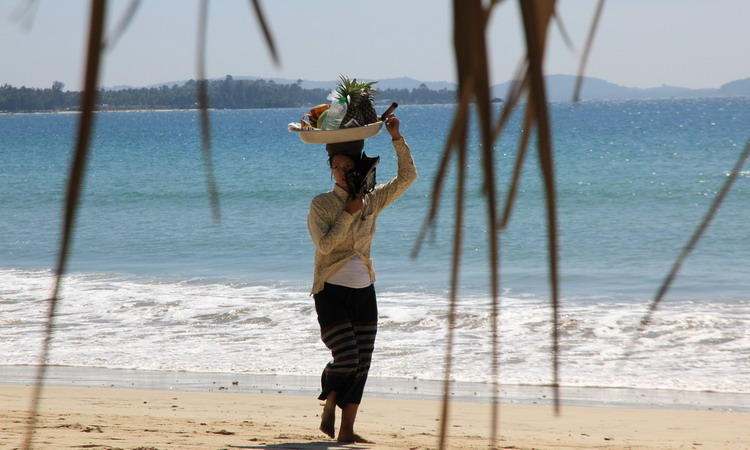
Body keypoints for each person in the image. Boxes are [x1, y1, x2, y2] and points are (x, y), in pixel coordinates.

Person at [307, 114, 417, 443]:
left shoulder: (371, 200)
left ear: (357, 169)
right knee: (347, 357)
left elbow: (407, 177)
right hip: (331, 292)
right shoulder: (322, 204)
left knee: (363, 363)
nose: (339, 172)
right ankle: (329, 400)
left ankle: (347, 431)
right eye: (335, 167)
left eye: (345, 167)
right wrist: (348, 213)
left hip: (364, 290)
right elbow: (325, 245)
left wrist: (396, 138)